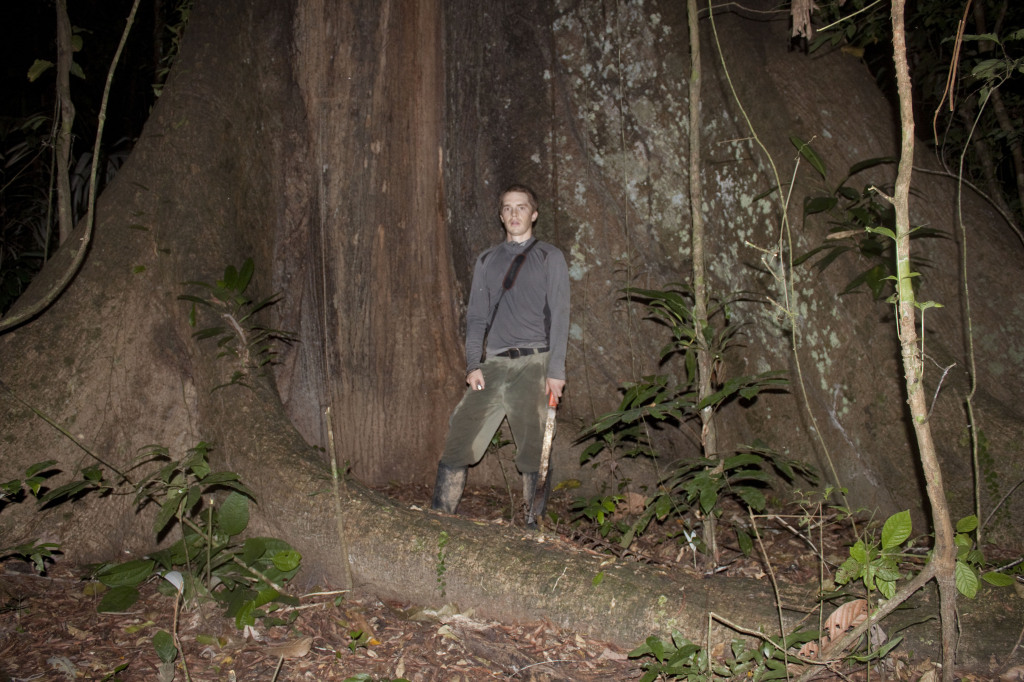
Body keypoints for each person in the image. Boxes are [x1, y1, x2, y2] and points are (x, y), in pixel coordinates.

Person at [431, 184, 570, 527]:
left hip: (534, 364)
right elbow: (477, 316)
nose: (514, 214)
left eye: (521, 207)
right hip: (492, 367)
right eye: (507, 208)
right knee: (460, 433)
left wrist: (556, 370)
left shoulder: (549, 257)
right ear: (501, 215)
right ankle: (438, 518)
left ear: (533, 214)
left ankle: (532, 526)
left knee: (533, 447)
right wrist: (473, 364)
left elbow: (561, 312)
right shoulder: (487, 260)